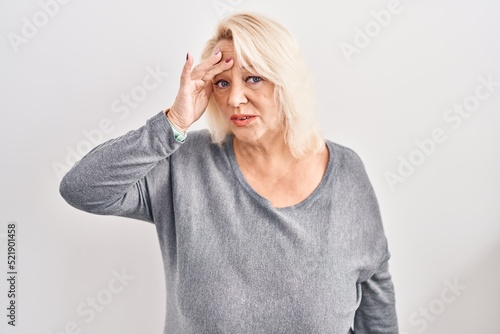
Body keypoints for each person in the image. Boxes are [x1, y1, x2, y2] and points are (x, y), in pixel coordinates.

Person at [60, 12, 398, 334]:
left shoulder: (346, 172)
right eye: (221, 83)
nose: (235, 98)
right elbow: (82, 188)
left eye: (254, 78)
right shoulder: (184, 163)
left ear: (287, 82)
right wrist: (172, 123)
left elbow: (375, 295)